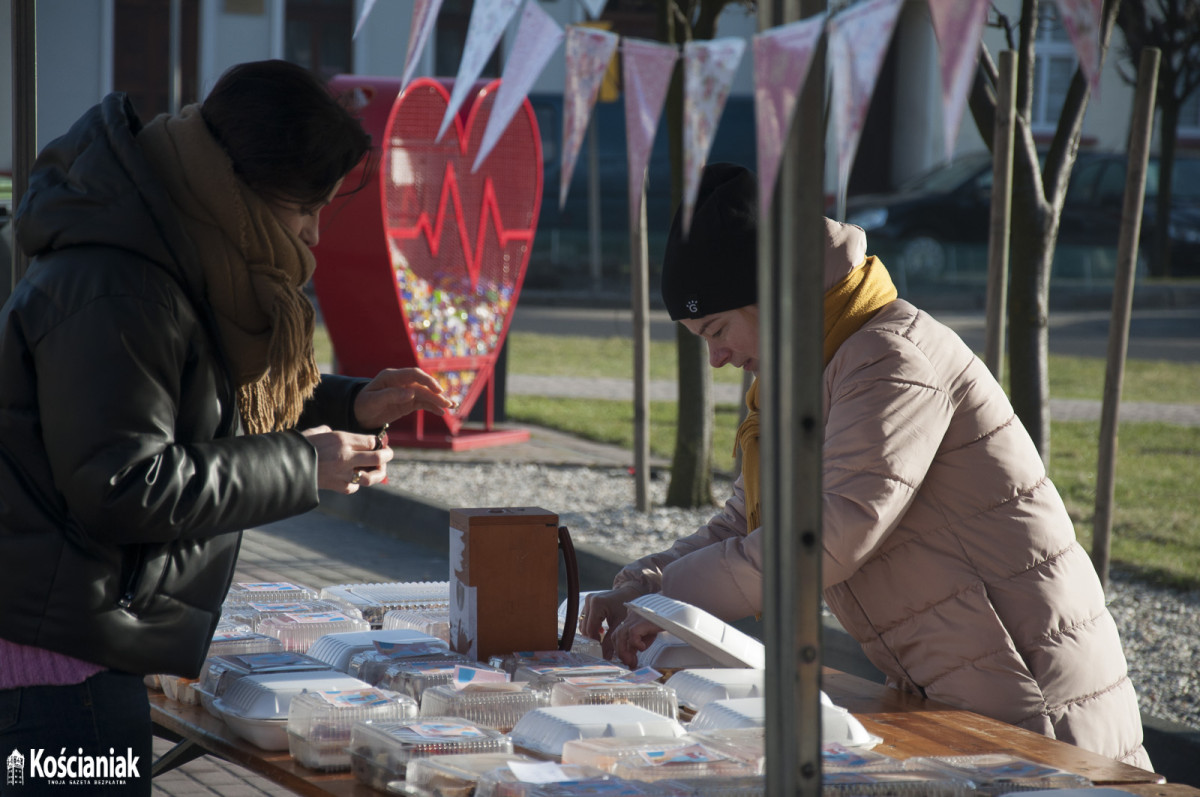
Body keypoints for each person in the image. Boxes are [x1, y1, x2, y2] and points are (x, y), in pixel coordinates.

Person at [581, 163, 1151, 770]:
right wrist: (640, 586)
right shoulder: (807, 372)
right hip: (962, 689)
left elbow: (832, 531)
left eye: (717, 329)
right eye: (702, 338)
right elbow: (747, 523)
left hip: (1039, 703)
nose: (718, 358)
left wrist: (665, 596)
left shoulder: (888, 359)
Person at [0, 60, 454, 794]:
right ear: (240, 183)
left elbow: (198, 393)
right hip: (60, 679)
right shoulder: (121, 284)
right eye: (302, 206)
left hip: (79, 655)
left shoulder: (167, 250)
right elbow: (125, 483)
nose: (310, 233)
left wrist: (348, 405)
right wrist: (303, 465)